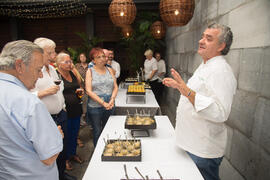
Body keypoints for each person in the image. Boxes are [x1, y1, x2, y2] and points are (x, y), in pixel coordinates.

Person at [163, 23, 237, 180]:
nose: (201, 41)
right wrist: (179, 86)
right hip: (191, 143)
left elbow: (220, 112)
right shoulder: (206, 65)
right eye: (202, 36)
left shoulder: (221, 71)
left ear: (221, 46)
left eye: (208, 38)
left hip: (202, 149)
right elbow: (198, 94)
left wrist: (187, 91)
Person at [0, 40, 63, 179]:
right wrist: (57, 135)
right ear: (19, 66)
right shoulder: (28, 102)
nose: (40, 75)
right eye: (38, 69)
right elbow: (49, 157)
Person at [31, 38, 75, 180]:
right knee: (51, 151)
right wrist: (44, 92)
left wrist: (63, 107)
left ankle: (61, 174)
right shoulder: (33, 70)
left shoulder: (52, 69)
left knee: (62, 147)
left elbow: (59, 90)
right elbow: (25, 95)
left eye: (54, 51)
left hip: (60, 114)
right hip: (47, 117)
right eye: (50, 52)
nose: (54, 55)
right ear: (38, 53)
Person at [56, 52, 84, 171]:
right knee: (66, 135)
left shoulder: (72, 72)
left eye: (70, 61)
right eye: (66, 62)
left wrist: (74, 69)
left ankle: (73, 154)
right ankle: (65, 159)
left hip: (76, 108)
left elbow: (79, 82)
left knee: (74, 133)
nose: (69, 64)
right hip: (65, 110)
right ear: (59, 64)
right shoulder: (57, 75)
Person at [85, 47, 118, 147]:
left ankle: (108, 149)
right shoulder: (90, 71)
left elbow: (115, 86)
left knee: (108, 128)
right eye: (98, 57)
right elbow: (88, 91)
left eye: (103, 56)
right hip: (95, 106)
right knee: (97, 131)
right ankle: (97, 153)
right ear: (93, 60)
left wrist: (112, 100)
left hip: (110, 104)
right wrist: (103, 103)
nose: (102, 58)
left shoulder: (110, 70)